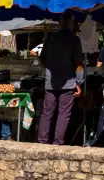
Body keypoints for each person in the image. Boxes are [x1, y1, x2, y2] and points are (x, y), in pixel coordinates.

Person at [38, 11, 83, 145]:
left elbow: (42, 58)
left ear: (59, 22)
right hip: (68, 83)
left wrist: (50, 69)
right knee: (63, 114)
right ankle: (57, 143)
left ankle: (42, 142)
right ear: (71, 23)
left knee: (47, 113)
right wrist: (79, 83)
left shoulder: (51, 38)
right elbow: (79, 64)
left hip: (50, 82)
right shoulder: (74, 39)